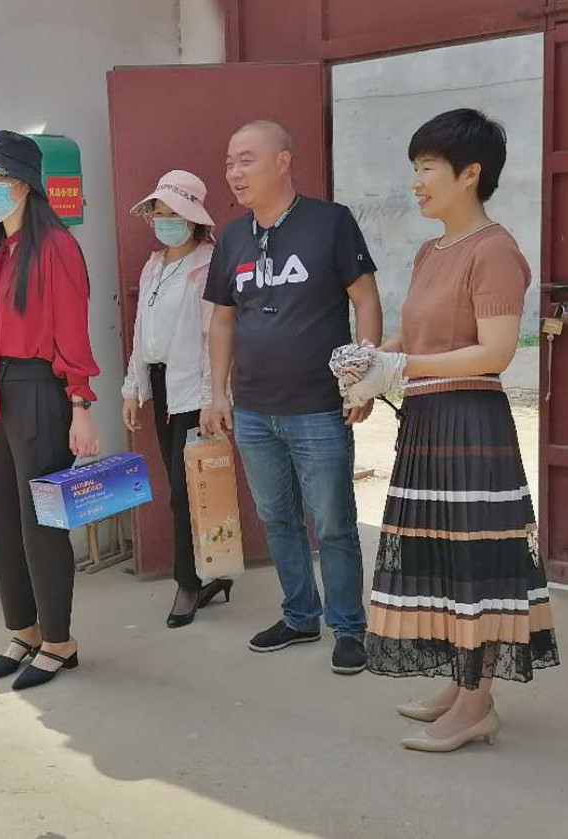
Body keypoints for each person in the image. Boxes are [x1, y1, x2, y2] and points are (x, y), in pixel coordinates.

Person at [340, 109, 559, 751]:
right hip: (428, 422)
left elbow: (495, 352)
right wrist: (369, 366)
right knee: (438, 557)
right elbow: (412, 334)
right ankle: (461, 688)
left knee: (475, 566)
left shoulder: (496, 251)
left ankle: (477, 705)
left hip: (471, 423)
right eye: (415, 167)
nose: (416, 181)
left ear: (470, 174)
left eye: (427, 167)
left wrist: (402, 366)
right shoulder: (429, 251)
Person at [200, 120, 384, 675]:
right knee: (277, 519)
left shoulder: (330, 222)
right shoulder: (232, 238)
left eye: (247, 160)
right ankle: (300, 616)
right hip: (254, 410)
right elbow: (222, 321)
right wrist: (217, 393)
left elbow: (366, 301)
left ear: (282, 161)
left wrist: (362, 377)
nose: (234, 172)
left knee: (333, 524)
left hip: (318, 408)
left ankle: (348, 626)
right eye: (229, 162)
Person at [0, 130, 101, 691]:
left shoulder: (56, 247)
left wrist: (80, 405)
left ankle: (60, 642)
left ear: (24, 186)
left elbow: (72, 332)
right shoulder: (0, 253)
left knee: (40, 520)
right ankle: (24, 630)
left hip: (40, 389)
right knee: (2, 519)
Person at [122, 170, 231, 628]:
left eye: (174, 214)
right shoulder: (154, 265)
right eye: (159, 214)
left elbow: (213, 337)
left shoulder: (208, 265)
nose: (165, 222)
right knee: (178, 488)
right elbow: (141, 331)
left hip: (194, 389)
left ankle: (190, 581)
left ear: (193, 218)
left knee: (189, 493)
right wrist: (133, 388)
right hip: (162, 384)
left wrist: (211, 398)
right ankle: (209, 573)